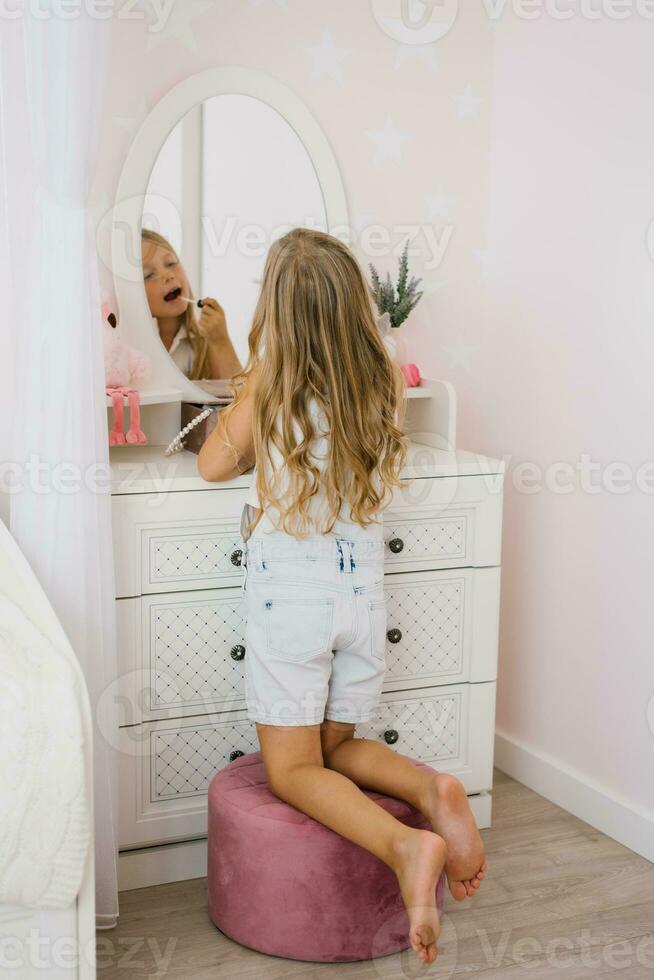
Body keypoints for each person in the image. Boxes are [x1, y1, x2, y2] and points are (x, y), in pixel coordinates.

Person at [197, 227, 486, 967]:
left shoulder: (271, 380)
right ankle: (434, 788)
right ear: (356, 304)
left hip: (292, 607)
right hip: (363, 602)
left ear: (276, 312)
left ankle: (405, 843)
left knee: (293, 769)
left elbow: (210, 465)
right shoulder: (382, 377)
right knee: (338, 745)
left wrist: (252, 384)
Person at [141, 228, 242, 379]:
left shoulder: (202, 344)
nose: (168, 275)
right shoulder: (129, 350)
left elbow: (237, 394)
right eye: (149, 275)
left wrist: (221, 341)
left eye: (171, 263)